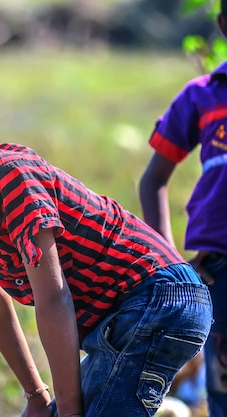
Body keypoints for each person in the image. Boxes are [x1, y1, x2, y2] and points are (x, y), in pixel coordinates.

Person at [0, 59, 213, 417]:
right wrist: (36, 395)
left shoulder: (10, 178)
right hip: (115, 320)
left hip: (159, 298)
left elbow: (53, 298)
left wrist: (66, 408)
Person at [138, 3, 227, 416]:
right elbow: (153, 179)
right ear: (224, 26)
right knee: (223, 382)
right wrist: (173, 264)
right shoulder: (203, 96)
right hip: (219, 268)